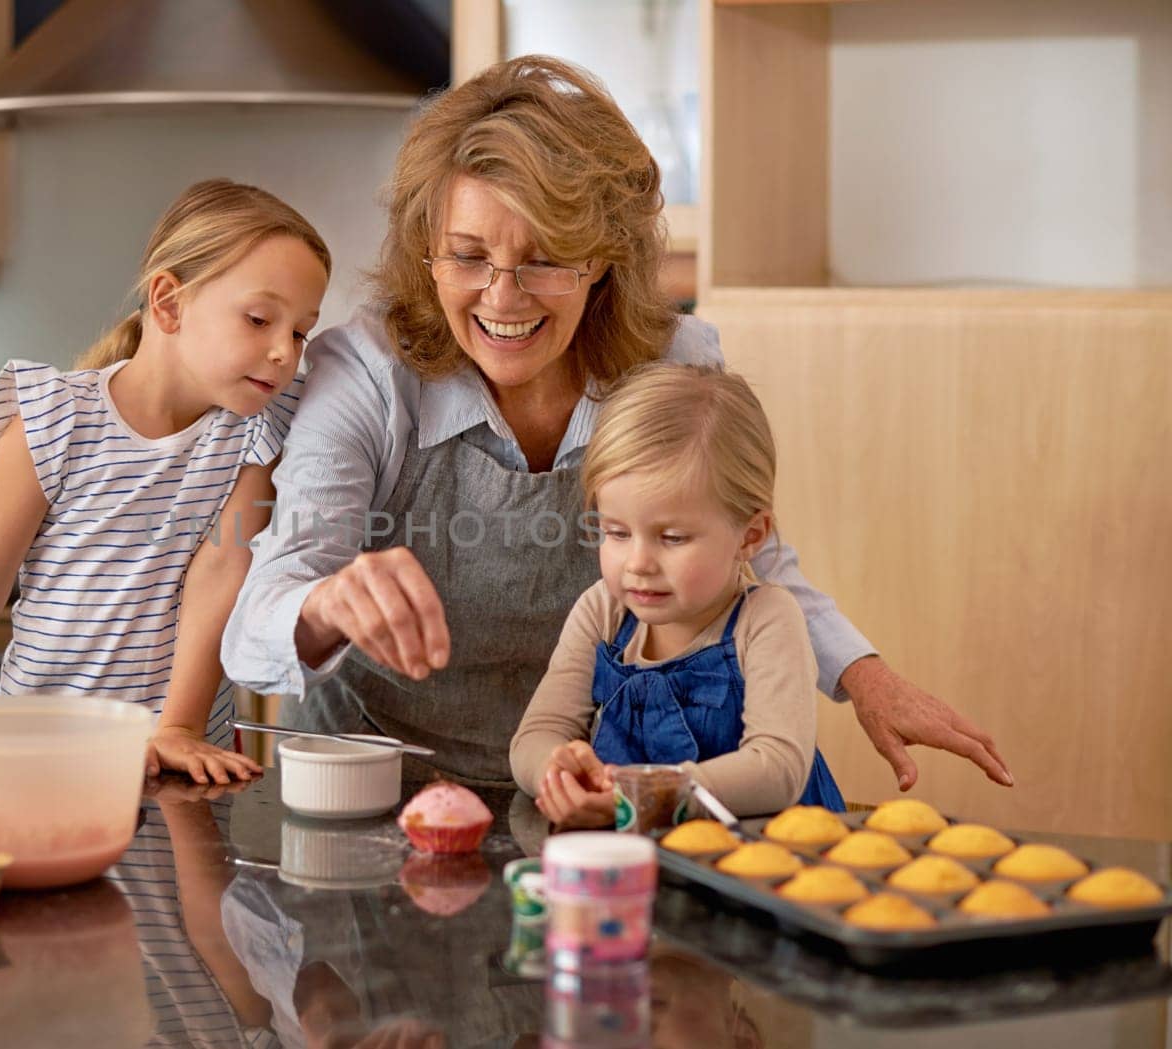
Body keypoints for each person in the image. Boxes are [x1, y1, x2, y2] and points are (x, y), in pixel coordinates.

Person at [222, 55, 1010, 792]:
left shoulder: (671, 361)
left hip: (591, 780)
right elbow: (255, 622)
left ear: (602, 257)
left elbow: (744, 552)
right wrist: (327, 603)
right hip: (373, 781)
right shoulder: (365, 374)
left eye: (545, 258)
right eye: (467, 256)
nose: (502, 297)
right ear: (426, 249)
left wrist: (863, 677)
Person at [0, 179, 329, 784]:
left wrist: (179, 728)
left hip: (172, 760)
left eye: (300, 331)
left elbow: (220, 573)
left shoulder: (254, 431)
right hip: (32, 751)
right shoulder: (52, 417)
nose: (283, 353)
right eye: (259, 319)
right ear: (168, 302)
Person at [511, 363, 844, 827]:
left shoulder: (767, 619)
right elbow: (538, 734)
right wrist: (557, 772)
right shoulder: (602, 612)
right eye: (617, 532)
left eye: (672, 538)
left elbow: (777, 768)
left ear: (750, 536)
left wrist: (645, 794)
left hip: (767, 869)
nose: (638, 563)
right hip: (641, 866)